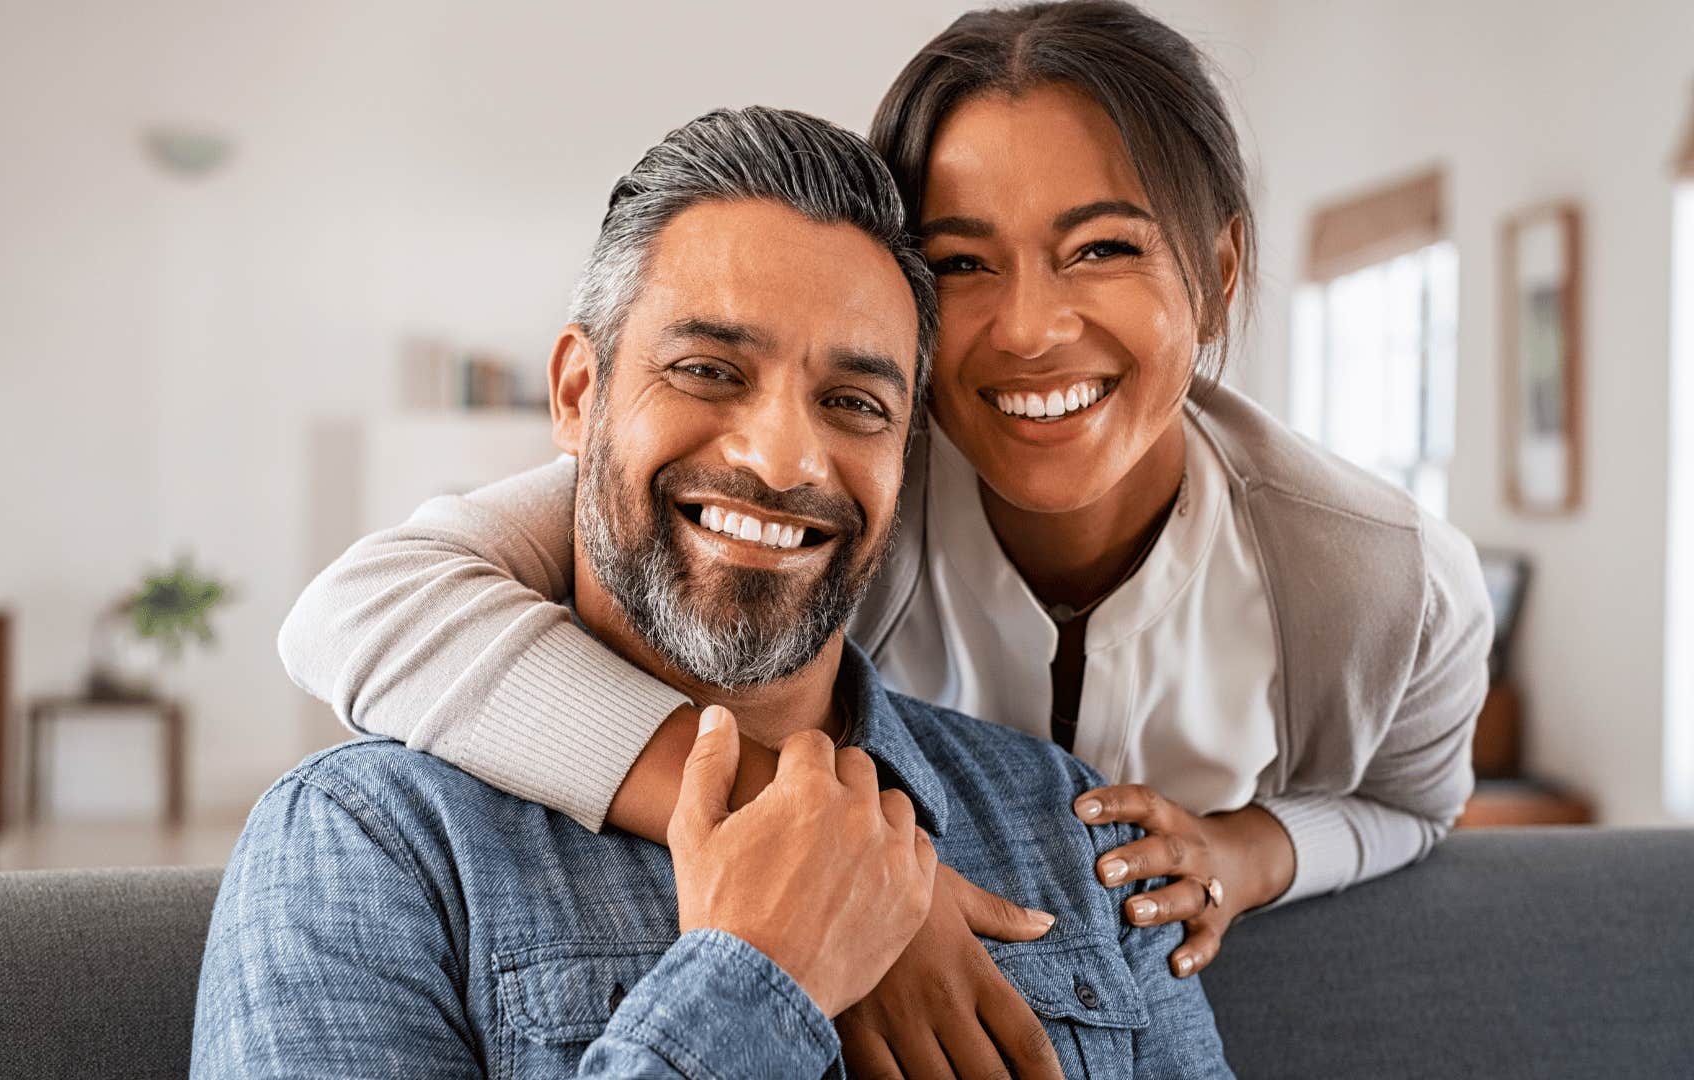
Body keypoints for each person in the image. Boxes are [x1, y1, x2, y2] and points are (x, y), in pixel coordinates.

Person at [280, 2, 1492, 1076]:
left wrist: (1252, 851)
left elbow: (1417, 803)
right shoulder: (843, 472)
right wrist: (823, 863)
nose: (1028, 329)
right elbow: (366, 606)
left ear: (1219, 274)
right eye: (962, 262)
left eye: (1104, 247)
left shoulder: (1375, 576)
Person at [194, 105, 1230, 1078]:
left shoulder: (1068, 823)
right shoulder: (367, 845)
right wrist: (753, 979)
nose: (784, 459)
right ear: (577, 393)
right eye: (707, 371)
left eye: (853, 402)